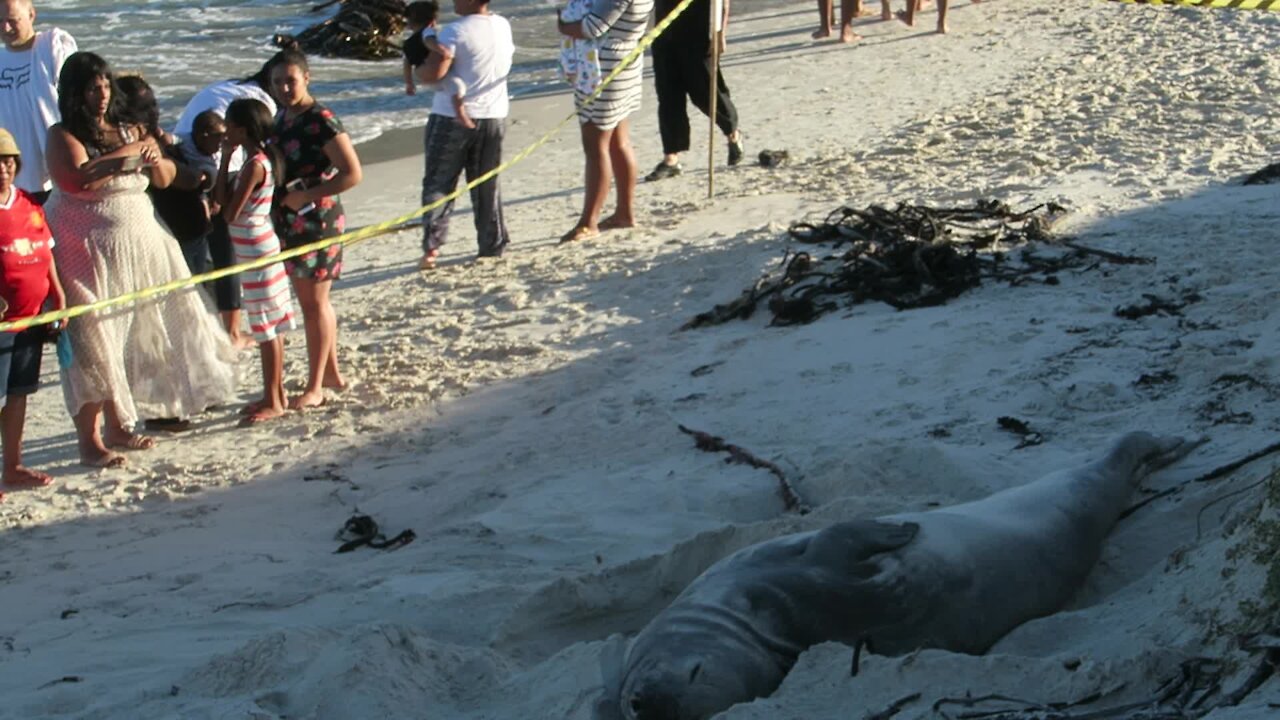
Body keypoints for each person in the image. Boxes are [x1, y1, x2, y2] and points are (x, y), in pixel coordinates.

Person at [44, 51, 237, 468]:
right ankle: (90, 441)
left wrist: (155, 159)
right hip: (84, 249)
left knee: (132, 333)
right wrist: (127, 153)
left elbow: (164, 177)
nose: (101, 94)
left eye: (106, 85)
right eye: (92, 87)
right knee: (93, 342)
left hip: (140, 243)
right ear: (74, 92)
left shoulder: (126, 127)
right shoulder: (61, 134)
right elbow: (74, 178)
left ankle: (119, 426)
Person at [269, 48, 360, 410]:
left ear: (306, 78)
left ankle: (315, 386)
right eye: (277, 82)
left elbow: (352, 172)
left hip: (317, 218)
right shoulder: (283, 116)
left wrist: (309, 194)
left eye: (290, 81)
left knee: (314, 304)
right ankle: (332, 374)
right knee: (313, 302)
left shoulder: (321, 119)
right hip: (292, 217)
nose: (284, 88)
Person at [172, 57, 279, 349]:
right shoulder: (260, 103)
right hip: (243, 223)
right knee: (222, 258)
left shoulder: (232, 88)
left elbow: (227, 208)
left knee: (207, 257)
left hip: (251, 239)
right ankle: (229, 332)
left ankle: (221, 331)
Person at [414, 0, 513, 270]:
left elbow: (434, 72)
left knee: (439, 183)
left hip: (450, 117)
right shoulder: (502, 25)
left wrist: (417, 71)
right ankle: (492, 244)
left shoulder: (455, 31)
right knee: (486, 184)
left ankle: (432, 248)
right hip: (493, 115)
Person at [214, 98, 294, 425]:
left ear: (242, 128)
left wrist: (226, 165)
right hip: (255, 244)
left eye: (230, 126)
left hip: (256, 248)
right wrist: (225, 162)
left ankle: (274, 398)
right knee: (268, 323)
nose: (226, 131)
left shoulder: (255, 165)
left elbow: (228, 211)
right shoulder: (257, 160)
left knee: (266, 326)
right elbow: (224, 202)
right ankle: (274, 392)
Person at [556, 0, 654, 244]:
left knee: (596, 145)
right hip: (623, 63)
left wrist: (562, 24)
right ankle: (624, 213)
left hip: (602, 69)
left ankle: (589, 221)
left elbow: (592, 27)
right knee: (619, 142)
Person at [0, 127, 64, 498]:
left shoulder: (29, 204)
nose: (3, 168)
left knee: (19, 394)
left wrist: (58, 298)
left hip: (31, 318)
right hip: (2, 326)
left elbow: (46, 254)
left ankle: (13, 465)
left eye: (8, 161)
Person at [645, 0, 744, 182]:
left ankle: (732, 132)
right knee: (668, 96)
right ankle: (671, 157)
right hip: (664, 30)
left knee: (705, 93)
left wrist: (720, 32)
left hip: (698, 31)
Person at [0, 0, 75, 201]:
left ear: (31, 15)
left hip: (55, 175)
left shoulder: (51, 48)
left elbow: (78, 97)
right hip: (10, 180)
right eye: (0, 21)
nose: (5, 28)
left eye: (12, 20)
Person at [402, 0, 474, 130]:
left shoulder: (408, 42)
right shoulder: (427, 32)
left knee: (448, 86)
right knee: (458, 87)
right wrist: (442, 50)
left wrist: (409, 83)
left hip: (420, 75)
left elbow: (406, 63)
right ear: (431, 21)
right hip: (430, 72)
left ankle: (452, 106)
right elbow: (429, 42)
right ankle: (460, 114)